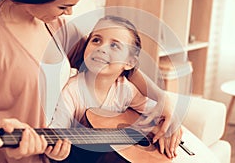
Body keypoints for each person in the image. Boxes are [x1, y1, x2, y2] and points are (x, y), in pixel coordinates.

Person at [0, 0, 180, 162]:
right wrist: (11, 151)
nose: (68, 12)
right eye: (63, 5)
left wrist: (162, 100)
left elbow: (112, 63)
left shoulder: (54, 24)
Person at [49, 15, 183, 162]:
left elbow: (156, 113)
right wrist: (55, 151)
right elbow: (56, 132)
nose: (101, 48)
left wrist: (166, 128)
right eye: (96, 40)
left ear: (130, 62)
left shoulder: (125, 89)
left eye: (114, 45)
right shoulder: (72, 91)